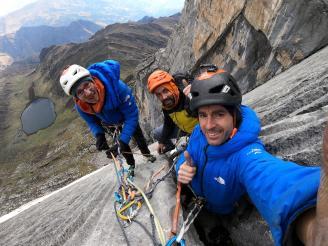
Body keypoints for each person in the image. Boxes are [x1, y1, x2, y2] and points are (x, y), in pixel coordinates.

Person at [176, 68, 328, 245]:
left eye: (219, 114)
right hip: (201, 201)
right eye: (203, 115)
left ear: (234, 114)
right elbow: (189, 154)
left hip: (223, 209)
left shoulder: (245, 154)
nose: (209, 125)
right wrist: (182, 166)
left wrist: (312, 227)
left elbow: (270, 178)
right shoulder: (198, 133)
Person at [59, 60, 156, 176]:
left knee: (138, 136)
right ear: (76, 97)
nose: (88, 93)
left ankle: (146, 154)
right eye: (80, 92)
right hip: (109, 123)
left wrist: (123, 141)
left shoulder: (118, 88)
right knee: (122, 147)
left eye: (87, 85)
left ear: (92, 80)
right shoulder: (81, 105)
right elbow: (91, 121)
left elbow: (131, 116)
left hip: (126, 117)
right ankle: (131, 164)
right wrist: (99, 135)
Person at [147, 70, 198, 154]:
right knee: (158, 133)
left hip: (200, 129)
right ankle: (170, 146)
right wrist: (162, 141)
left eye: (165, 91)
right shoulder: (166, 105)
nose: (163, 97)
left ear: (172, 87)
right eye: (159, 94)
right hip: (184, 128)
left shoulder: (188, 96)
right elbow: (168, 123)